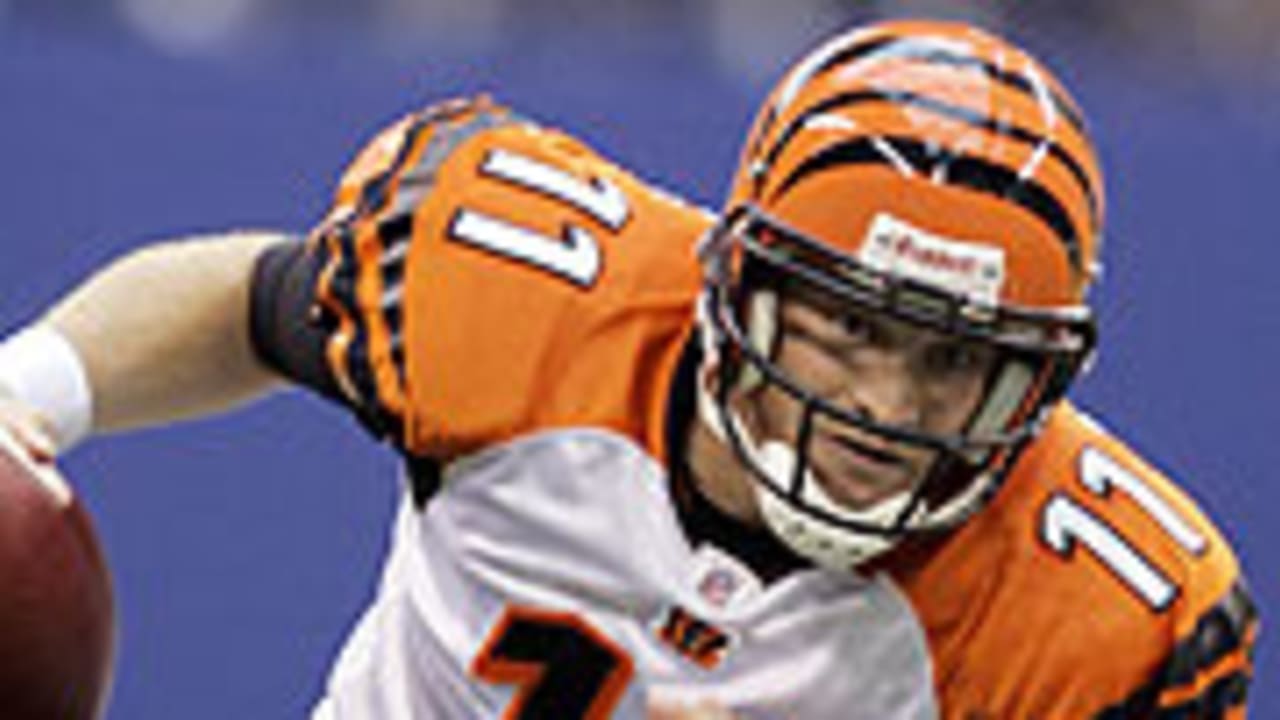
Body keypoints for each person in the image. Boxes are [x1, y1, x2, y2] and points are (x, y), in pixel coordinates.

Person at [0, 18, 1258, 719]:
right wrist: (28, 393)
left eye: (952, 360)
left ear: (1037, 384)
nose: (885, 403)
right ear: (738, 280)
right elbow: (245, 301)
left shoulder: (1099, 629)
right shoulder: (522, 285)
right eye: (849, 328)